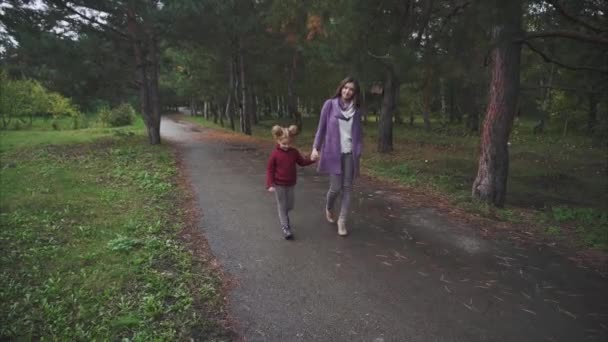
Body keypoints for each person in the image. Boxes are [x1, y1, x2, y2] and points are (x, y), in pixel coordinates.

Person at [311, 76, 363, 236]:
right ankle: (328, 207)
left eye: (351, 89)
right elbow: (322, 128)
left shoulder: (356, 110)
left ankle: (342, 221)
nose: (347, 91)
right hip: (333, 153)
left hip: (349, 154)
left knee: (347, 188)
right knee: (336, 188)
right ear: (341, 88)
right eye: (345, 88)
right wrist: (315, 148)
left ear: (355, 92)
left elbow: (358, 134)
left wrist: (359, 150)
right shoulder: (330, 105)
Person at [266, 125, 316, 239]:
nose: (286, 146)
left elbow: (302, 162)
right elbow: (270, 169)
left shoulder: (293, 152)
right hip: (278, 184)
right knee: (282, 206)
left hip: (290, 184)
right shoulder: (275, 154)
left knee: (290, 205)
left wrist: (312, 159)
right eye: (284, 144)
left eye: (288, 143)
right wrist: (270, 184)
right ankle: (286, 227)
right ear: (278, 141)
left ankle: (284, 215)